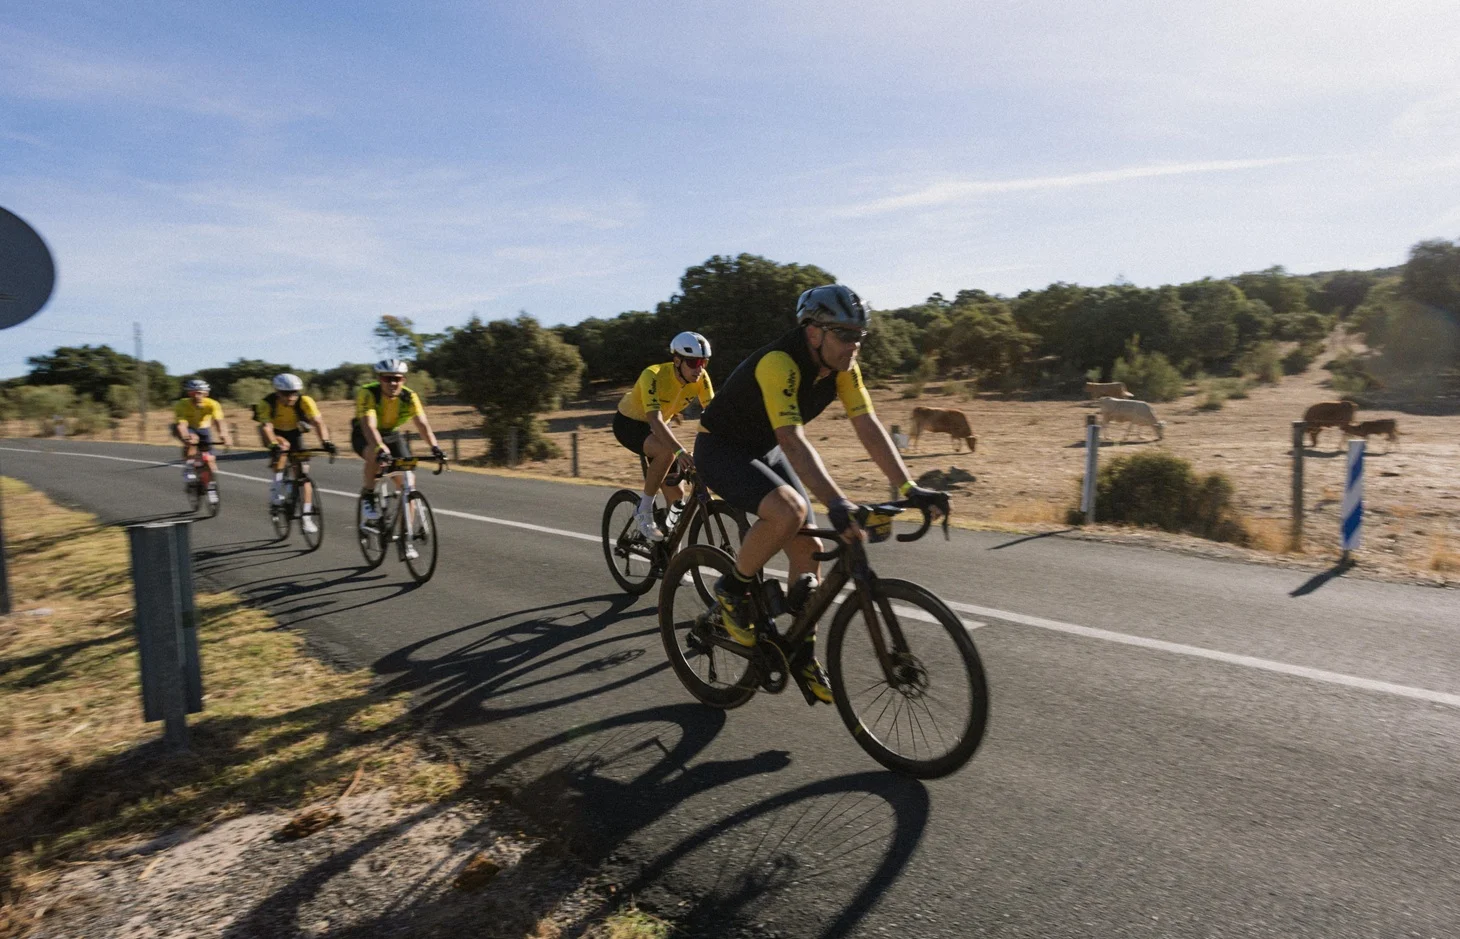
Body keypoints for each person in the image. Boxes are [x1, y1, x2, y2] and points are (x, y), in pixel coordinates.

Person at [693, 285, 947, 703]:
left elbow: (867, 425)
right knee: (790, 511)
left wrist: (909, 487)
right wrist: (838, 503)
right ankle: (732, 591)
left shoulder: (846, 367)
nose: (854, 344)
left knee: (810, 548)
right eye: (845, 335)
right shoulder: (780, 363)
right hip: (721, 447)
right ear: (814, 332)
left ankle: (801, 653)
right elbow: (793, 440)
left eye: (860, 335)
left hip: (764, 448)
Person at [613, 331, 714, 541]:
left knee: (677, 497)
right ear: (677, 360)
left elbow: (714, 414)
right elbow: (655, 419)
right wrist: (680, 451)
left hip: (658, 430)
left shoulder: (701, 378)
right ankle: (644, 508)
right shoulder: (653, 375)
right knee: (668, 452)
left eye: (703, 362)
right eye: (693, 362)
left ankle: (670, 554)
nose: (700, 368)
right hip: (630, 423)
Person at [352, 360, 446, 549]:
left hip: (393, 435)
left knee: (408, 485)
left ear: (403, 380)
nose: (393, 383)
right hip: (365, 434)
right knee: (376, 453)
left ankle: (406, 536)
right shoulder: (368, 392)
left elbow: (422, 425)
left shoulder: (409, 396)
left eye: (397, 379)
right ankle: (369, 495)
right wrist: (379, 447)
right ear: (380, 379)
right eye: (388, 379)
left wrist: (435, 448)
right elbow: (369, 425)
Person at [255, 373, 337, 534]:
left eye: (294, 393)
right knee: (283, 447)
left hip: (294, 432)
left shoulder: (305, 401)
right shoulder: (267, 403)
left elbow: (318, 422)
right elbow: (266, 427)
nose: (291, 397)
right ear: (277, 392)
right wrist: (273, 445)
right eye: (286, 393)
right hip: (273, 433)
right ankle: (276, 491)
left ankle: (306, 517)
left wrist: (326, 442)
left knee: (303, 475)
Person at [173, 378, 231, 505]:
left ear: (206, 394)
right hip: (188, 427)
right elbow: (181, 424)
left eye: (201, 393)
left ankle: (210, 488)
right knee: (192, 440)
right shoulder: (182, 404)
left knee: (209, 461)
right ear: (189, 394)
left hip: (204, 429)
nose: (198, 396)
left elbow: (219, 421)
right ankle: (188, 467)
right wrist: (185, 436)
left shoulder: (212, 404)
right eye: (194, 393)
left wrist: (224, 435)